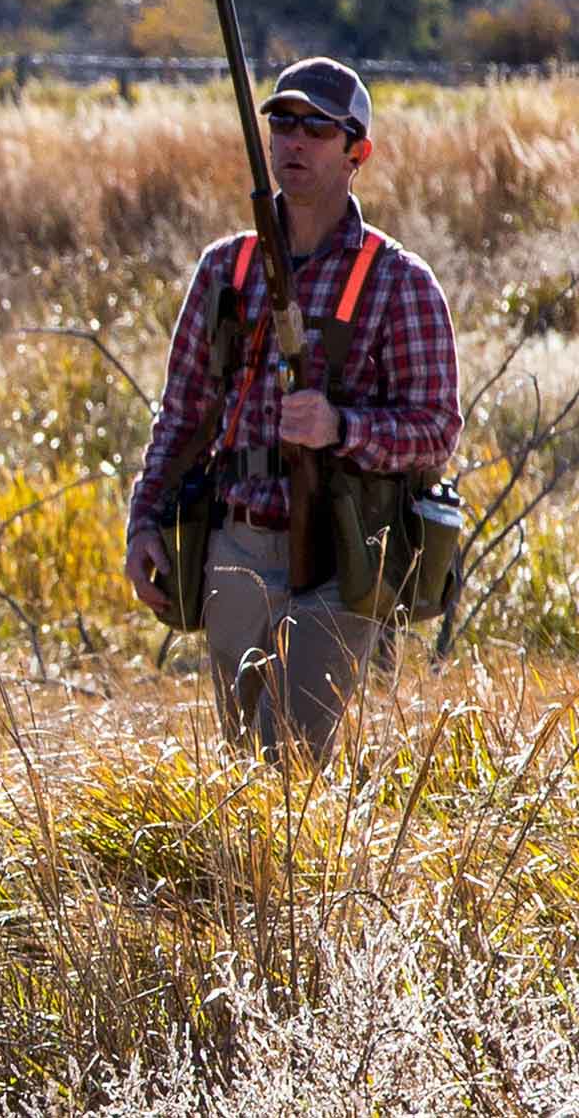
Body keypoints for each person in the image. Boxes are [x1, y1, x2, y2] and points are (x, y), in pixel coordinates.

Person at [123, 57, 462, 763]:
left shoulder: (401, 281)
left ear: (356, 152)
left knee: (295, 763)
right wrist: (144, 520)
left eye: (317, 127)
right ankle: (245, 880)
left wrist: (342, 429)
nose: (294, 141)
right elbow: (182, 415)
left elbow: (437, 428)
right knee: (244, 763)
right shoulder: (227, 268)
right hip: (234, 544)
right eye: (282, 122)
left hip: (343, 550)